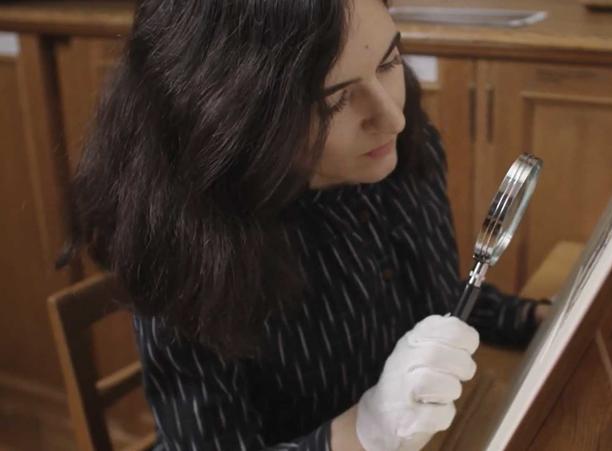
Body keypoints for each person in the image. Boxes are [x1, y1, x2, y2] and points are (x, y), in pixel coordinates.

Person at [57, 0, 550, 449]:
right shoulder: (184, 243)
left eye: (389, 61)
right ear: (233, 115)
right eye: (333, 101)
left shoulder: (399, 152)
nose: (391, 118)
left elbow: (434, 298)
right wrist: (362, 431)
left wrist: (531, 319)